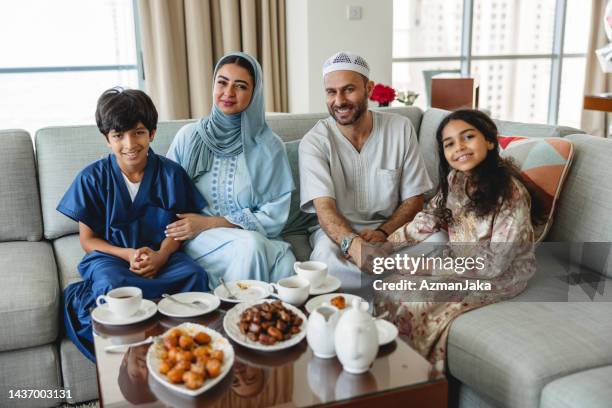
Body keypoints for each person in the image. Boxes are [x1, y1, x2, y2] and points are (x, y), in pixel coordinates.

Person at [375, 109, 543, 374]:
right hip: (462, 265)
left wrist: (424, 268)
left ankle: (417, 382)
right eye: (449, 143)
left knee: (414, 301)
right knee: (389, 287)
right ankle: (384, 373)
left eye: (467, 137)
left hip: (500, 277)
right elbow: (428, 218)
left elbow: (494, 265)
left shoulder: (510, 194)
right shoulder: (455, 180)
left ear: (489, 141)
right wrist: (385, 245)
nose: (459, 147)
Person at [59, 88, 208, 361]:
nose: (129, 143)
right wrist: (128, 254)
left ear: (151, 133)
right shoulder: (91, 178)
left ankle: (178, 350)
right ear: (107, 139)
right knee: (112, 284)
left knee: (196, 275)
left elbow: (179, 228)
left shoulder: (171, 174)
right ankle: (135, 353)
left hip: (161, 256)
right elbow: (88, 241)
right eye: (118, 135)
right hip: (112, 258)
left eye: (138, 132)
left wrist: (161, 256)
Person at [299, 51, 433, 294]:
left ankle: (393, 292)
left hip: (392, 230)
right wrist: (355, 245)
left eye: (348, 89)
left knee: (441, 245)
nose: (339, 100)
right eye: (331, 92)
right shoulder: (314, 142)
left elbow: (415, 198)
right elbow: (324, 209)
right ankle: (395, 292)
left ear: (369, 89)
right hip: (337, 236)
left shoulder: (400, 128)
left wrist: (383, 233)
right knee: (326, 266)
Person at [165, 52, 295, 290]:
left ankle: (246, 320)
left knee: (283, 263)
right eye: (222, 82)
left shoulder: (269, 146)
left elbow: (275, 215)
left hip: (251, 235)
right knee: (252, 248)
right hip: (199, 240)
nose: (228, 93)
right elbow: (166, 196)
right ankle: (237, 319)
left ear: (254, 93)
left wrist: (210, 222)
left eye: (241, 86)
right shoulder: (189, 137)